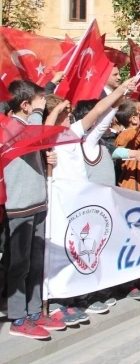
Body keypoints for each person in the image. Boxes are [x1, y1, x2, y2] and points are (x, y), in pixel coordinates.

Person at [5, 80, 63, 339]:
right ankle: (17, 317)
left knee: (36, 262)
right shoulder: (9, 127)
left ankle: (33, 311)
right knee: (19, 264)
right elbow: (29, 139)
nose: (41, 105)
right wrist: (41, 111)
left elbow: (35, 146)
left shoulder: (29, 126)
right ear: (25, 105)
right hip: (20, 206)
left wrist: (47, 157)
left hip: (38, 203)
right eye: (37, 102)